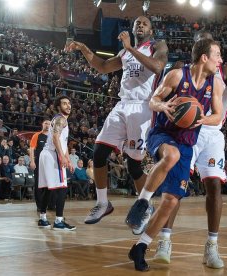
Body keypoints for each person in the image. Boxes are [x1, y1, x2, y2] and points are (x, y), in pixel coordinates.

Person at [153, 30, 227, 268]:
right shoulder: (180, 70)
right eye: (201, 43)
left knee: (214, 186)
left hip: (211, 133)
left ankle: (211, 247)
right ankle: (164, 241)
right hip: (184, 131)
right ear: (199, 51)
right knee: (175, 188)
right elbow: (161, 100)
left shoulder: (224, 72)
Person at [127, 38, 223, 271]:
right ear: (204, 57)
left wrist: (201, 119)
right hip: (162, 134)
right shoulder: (177, 75)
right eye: (217, 55)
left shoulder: (216, 84)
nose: (220, 60)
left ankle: (141, 246)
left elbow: (218, 115)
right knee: (171, 156)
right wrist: (164, 107)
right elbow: (153, 100)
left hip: (187, 143)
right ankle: (142, 203)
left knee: (170, 201)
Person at [65, 16, 168, 226]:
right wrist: (84, 48)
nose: (139, 25)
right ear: (132, 28)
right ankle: (103, 203)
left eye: (144, 23)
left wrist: (130, 48)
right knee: (99, 152)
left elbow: (158, 67)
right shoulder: (124, 52)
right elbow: (102, 66)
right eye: (136, 23)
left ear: (151, 30)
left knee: (134, 166)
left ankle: (145, 207)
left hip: (143, 107)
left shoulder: (158, 45)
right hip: (122, 104)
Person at [37, 96, 76, 231]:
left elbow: (63, 143)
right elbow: (55, 138)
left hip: (47, 154)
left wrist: (68, 160)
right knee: (62, 188)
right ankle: (59, 221)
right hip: (52, 154)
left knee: (49, 188)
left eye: (69, 103)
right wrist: (62, 157)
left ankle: (43, 219)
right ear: (59, 107)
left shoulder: (60, 119)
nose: (68, 105)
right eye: (64, 103)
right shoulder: (60, 119)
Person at [29, 119, 51, 210]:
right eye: (46, 123)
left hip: (50, 164)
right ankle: (39, 205)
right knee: (38, 183)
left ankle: (50, 204)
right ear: (42, 124)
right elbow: (31, 149)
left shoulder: (52, 136)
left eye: (49, 124)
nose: (47, 125)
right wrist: (32, 161)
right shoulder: (37, 135)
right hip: (39, 163)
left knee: (50, 184)